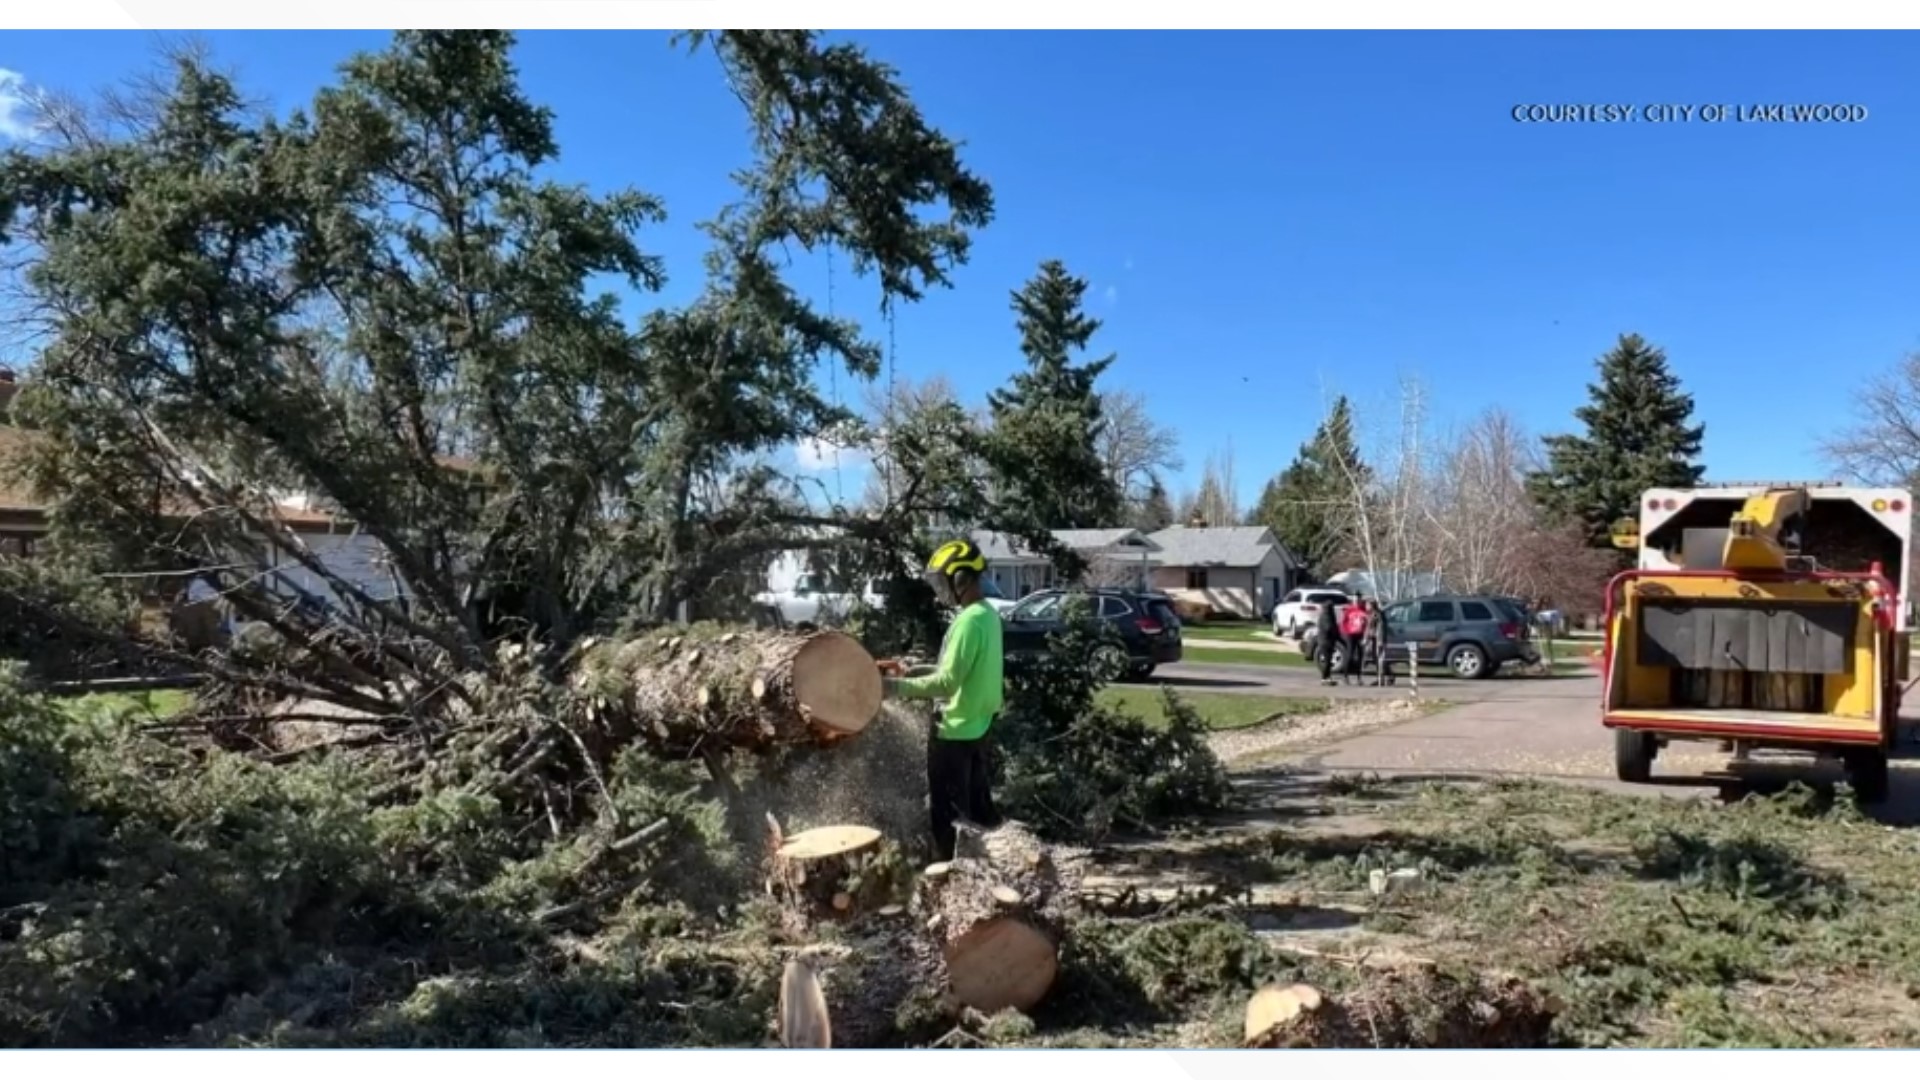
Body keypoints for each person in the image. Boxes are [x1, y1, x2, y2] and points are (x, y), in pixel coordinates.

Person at [878, 538, 1005, 863]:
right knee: (978, 811)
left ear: (960, 579)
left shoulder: (967, 622)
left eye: (943, 581)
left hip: (952, 732)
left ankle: (950, 876)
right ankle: (991, 869)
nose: (941, 589)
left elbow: (948, 683)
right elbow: (962, 671)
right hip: (978, 727)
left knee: (947, 819)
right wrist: (913, 671)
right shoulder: (987, 615)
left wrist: (890, 688)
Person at [1313, 593, 1345, 686]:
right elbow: (1328, 628)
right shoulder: (1326, 616)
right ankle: (1324, 678)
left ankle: (1327, 677)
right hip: (1326, 641)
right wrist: (1334, 632)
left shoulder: (1326, 615)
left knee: (1328, 660)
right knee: (1327, 660)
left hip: (1326, 640)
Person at [1338, 595, 1370, 686]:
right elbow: (1343, 623)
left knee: (1360, 655)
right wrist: (1345, 632)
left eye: (1358, 600)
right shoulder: (1348, 610)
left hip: (1360, 634)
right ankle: (1345, 677)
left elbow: (1367, 623)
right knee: (1350, 654)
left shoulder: (1364, 610)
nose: (1357, 602)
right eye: (1355, 600)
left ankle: (1359, 677)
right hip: (1350, 634)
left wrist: (1365, 635)